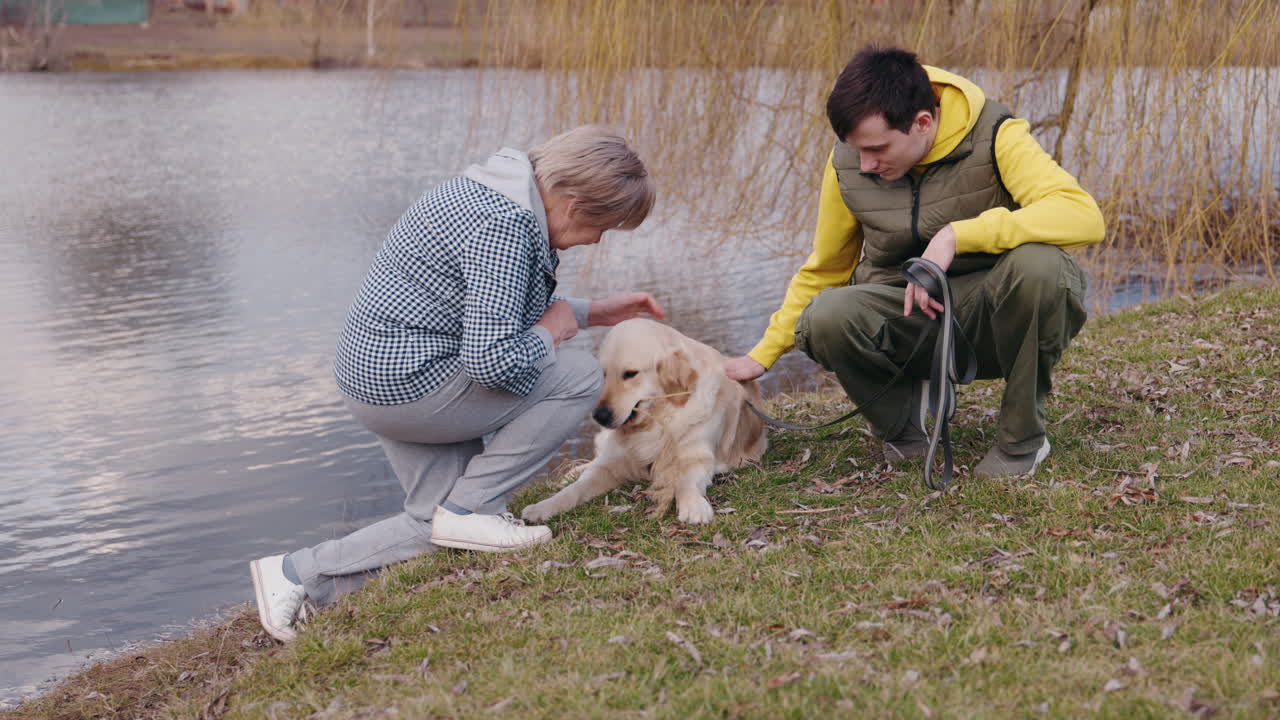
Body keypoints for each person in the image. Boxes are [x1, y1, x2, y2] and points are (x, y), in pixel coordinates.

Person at [249, 125, 663, 643]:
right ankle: (472, 509)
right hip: (413, 384)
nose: (598, 240)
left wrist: (591, 312)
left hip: (381, 376)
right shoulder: (506, 224)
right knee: (579, 374)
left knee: (435, 524)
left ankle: (293, 575)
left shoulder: (495, 190)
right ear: (576, 203)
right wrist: (553, 331)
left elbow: (491, 308)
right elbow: (492, 360)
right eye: (604, 226)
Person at [723, 45, 1105, 480]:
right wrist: (763, 353)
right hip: (906, 316)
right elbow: (826, 269)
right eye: (856, 149)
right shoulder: (849, 163)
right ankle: (903, 430)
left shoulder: (997, 134)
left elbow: (1082, 215)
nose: (865, 164)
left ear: (923, 123)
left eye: (878, 148)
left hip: (991, 317)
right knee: (825, 316)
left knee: (1043, 270)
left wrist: (957, 236)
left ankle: (1022, 442)